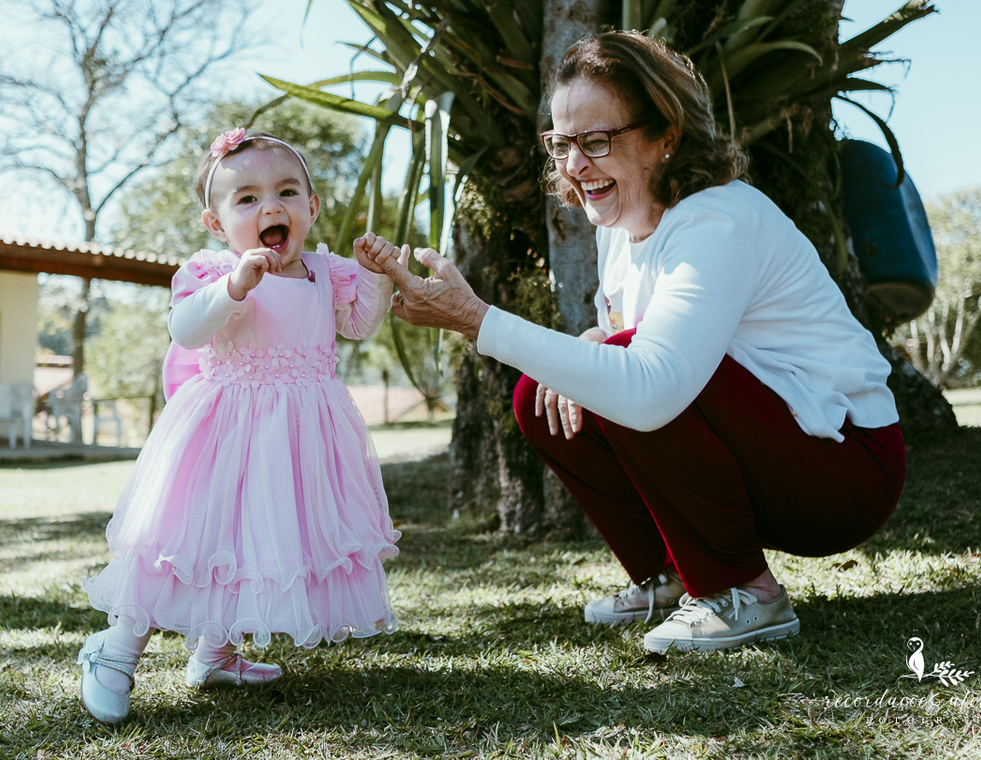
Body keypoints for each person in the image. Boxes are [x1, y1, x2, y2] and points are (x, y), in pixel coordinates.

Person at [381, 32, 905, 655]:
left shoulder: (716, 219)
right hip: (778, 450)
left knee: (629, 368)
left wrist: (477, 320)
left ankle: (742, 590)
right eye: (561, 143)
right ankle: (672, 575)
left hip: (844, 469)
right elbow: (631, 334)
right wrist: (592, 341)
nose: (575, 165)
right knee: (539, 395)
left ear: (666, 137)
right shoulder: (620, 223)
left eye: (597, 141)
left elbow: (654, 385)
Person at [77, 128, 406, 723]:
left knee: (259, 542)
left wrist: (378, 277)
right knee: (191, 540)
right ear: (216, 222)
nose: (270, 207)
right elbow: (186, 331)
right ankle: (115, 650)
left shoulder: (324, 270)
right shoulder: (214, 270)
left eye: (286, 192)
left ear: (312, 206)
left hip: (301, 434)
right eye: (247, 198)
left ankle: (217, 652)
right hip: (225, 432)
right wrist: (234, 287)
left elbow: (359, 324)